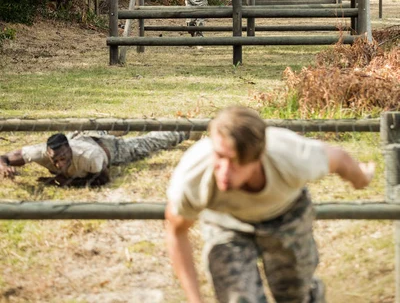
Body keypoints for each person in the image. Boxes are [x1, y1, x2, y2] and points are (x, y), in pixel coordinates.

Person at [165, 106, 375, 303]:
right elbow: (176, 231)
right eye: (220, 157)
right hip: (226, 224)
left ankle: (310, 293)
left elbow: (339, 158)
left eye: (237, 162)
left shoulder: (291, 156)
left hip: (286, 215)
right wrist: (195, 300)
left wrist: (361, 178)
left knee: (294, 295)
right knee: (238, 297)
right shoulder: (194, 175)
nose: (225, 171)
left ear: (259, 158)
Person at [0, 130, 188, 187]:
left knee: (145, 144)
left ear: (69, 152)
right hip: (81, 136)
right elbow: (4, 157)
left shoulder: (89, 158)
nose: (59, 164)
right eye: (55, 160)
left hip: (108, 148)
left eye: (63, 158)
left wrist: (65, 181)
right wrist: (3, 167)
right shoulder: (40, 153)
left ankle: (184, 131)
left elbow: (103, 179)